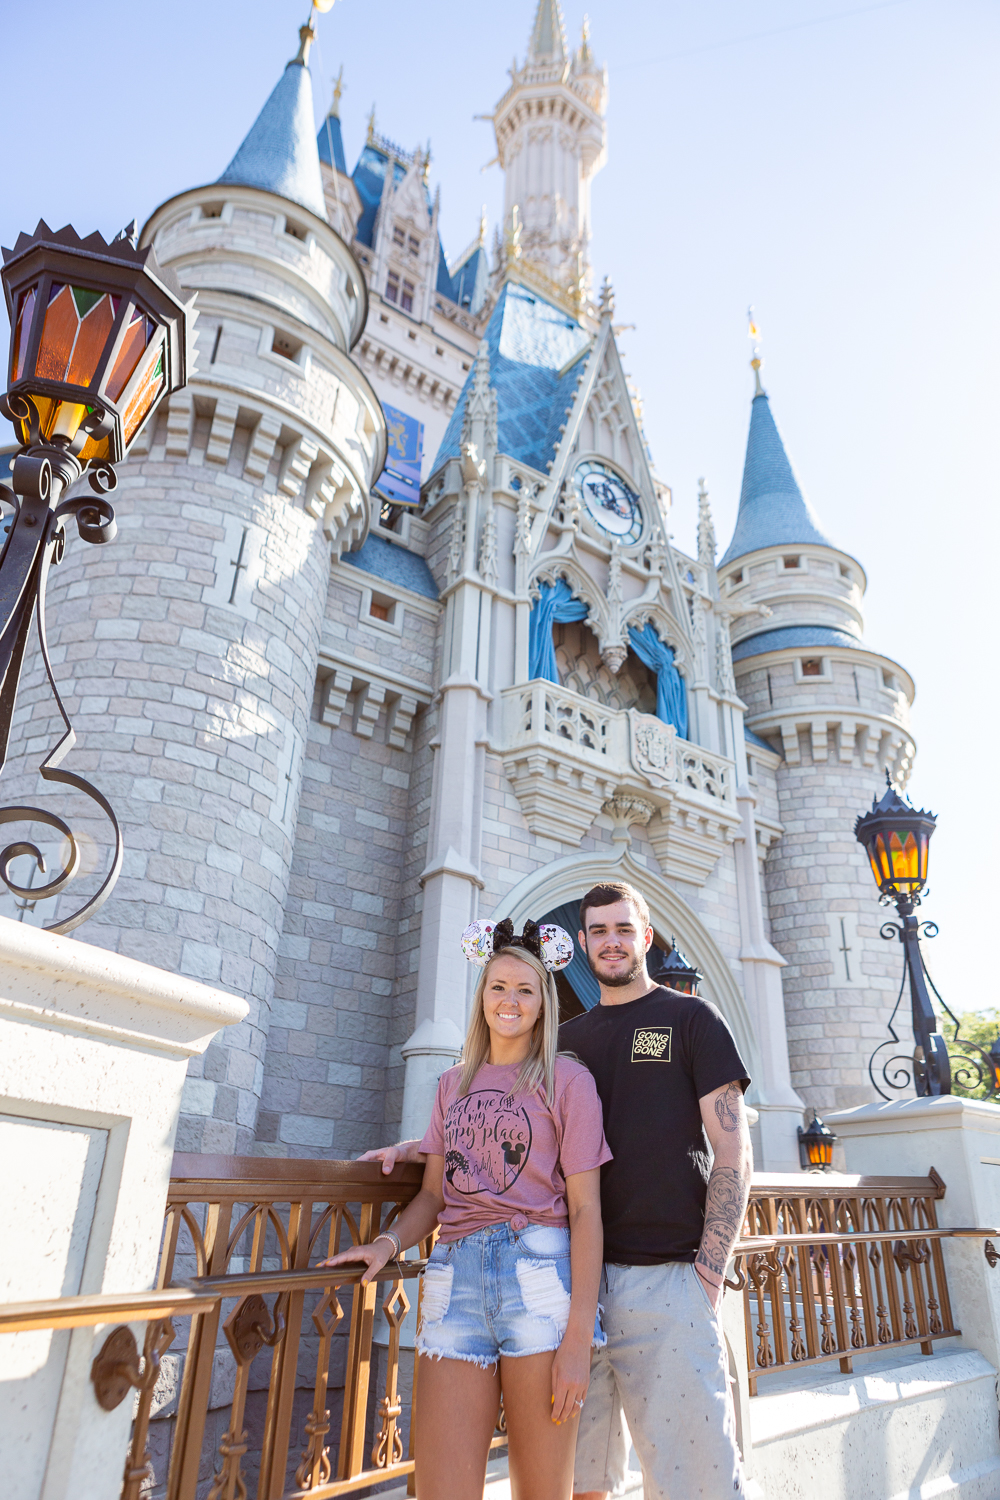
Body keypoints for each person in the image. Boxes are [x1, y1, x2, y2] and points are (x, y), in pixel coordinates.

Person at [364, 882, 753, 1500]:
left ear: (646, 937)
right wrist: (420, 1150)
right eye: (598, 931)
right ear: (581, 942)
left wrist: (707, 1270)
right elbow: (510, 1109)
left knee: (693, 1480)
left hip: (663, 1278)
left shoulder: (689, 1018)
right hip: (573, 1283)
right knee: (582, 1483)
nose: (611, 941)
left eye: (624, 929)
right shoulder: (568, 1041)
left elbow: (732, 1150)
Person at [320, 917, 611, 1500]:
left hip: (539, 1281)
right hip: (454, 1280)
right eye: (498, 987)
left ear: (542, 1003)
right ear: (481, 997)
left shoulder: (568, 1080)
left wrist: (579, 1336)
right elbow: (433, 1194)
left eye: (525, 990)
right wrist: (386, 1244)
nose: (510, 1000)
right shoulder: (451, 1083)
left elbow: (585, 1212)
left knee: (541, 1490)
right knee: (439, 1489)